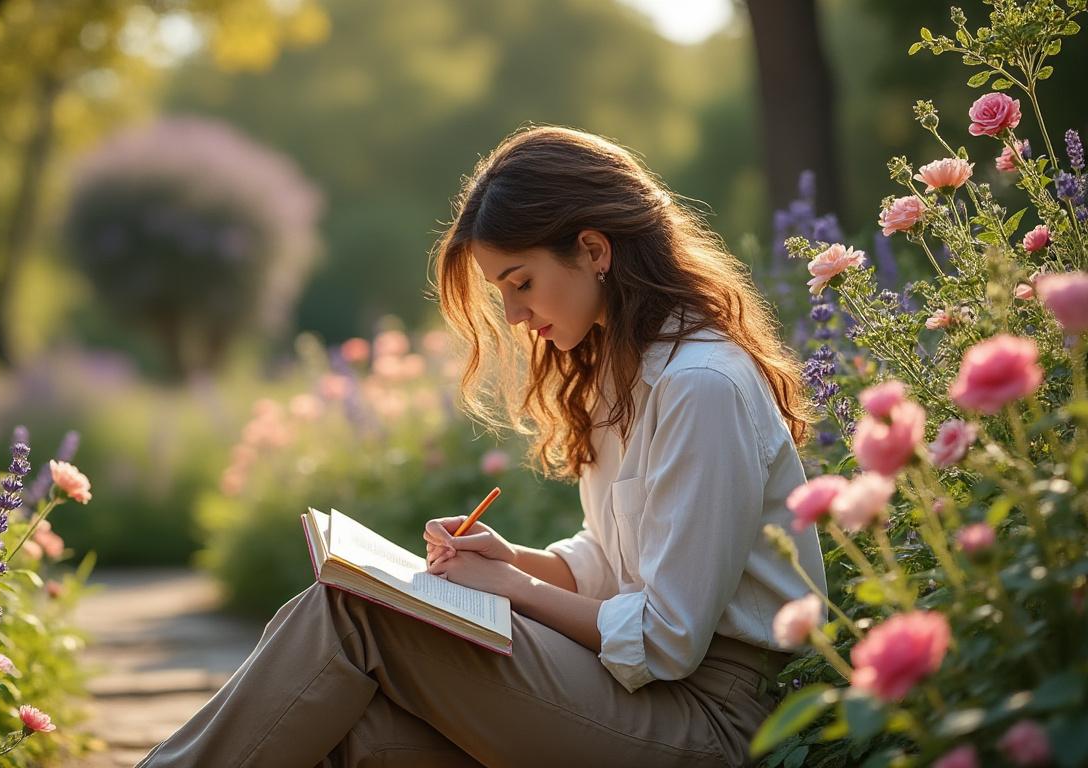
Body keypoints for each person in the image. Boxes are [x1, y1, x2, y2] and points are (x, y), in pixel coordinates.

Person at [136, 126, 828, 768]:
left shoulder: (699, 386)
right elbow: (617, 560)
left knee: (356, 607)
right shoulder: (627, 372)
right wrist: (515, 561)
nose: (518, 317)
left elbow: (667, 638)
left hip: (716, 720)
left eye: (521, 283)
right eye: (504, 293)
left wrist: (516, 590)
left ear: (594, 250)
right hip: (641, 694)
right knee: (349, 733)